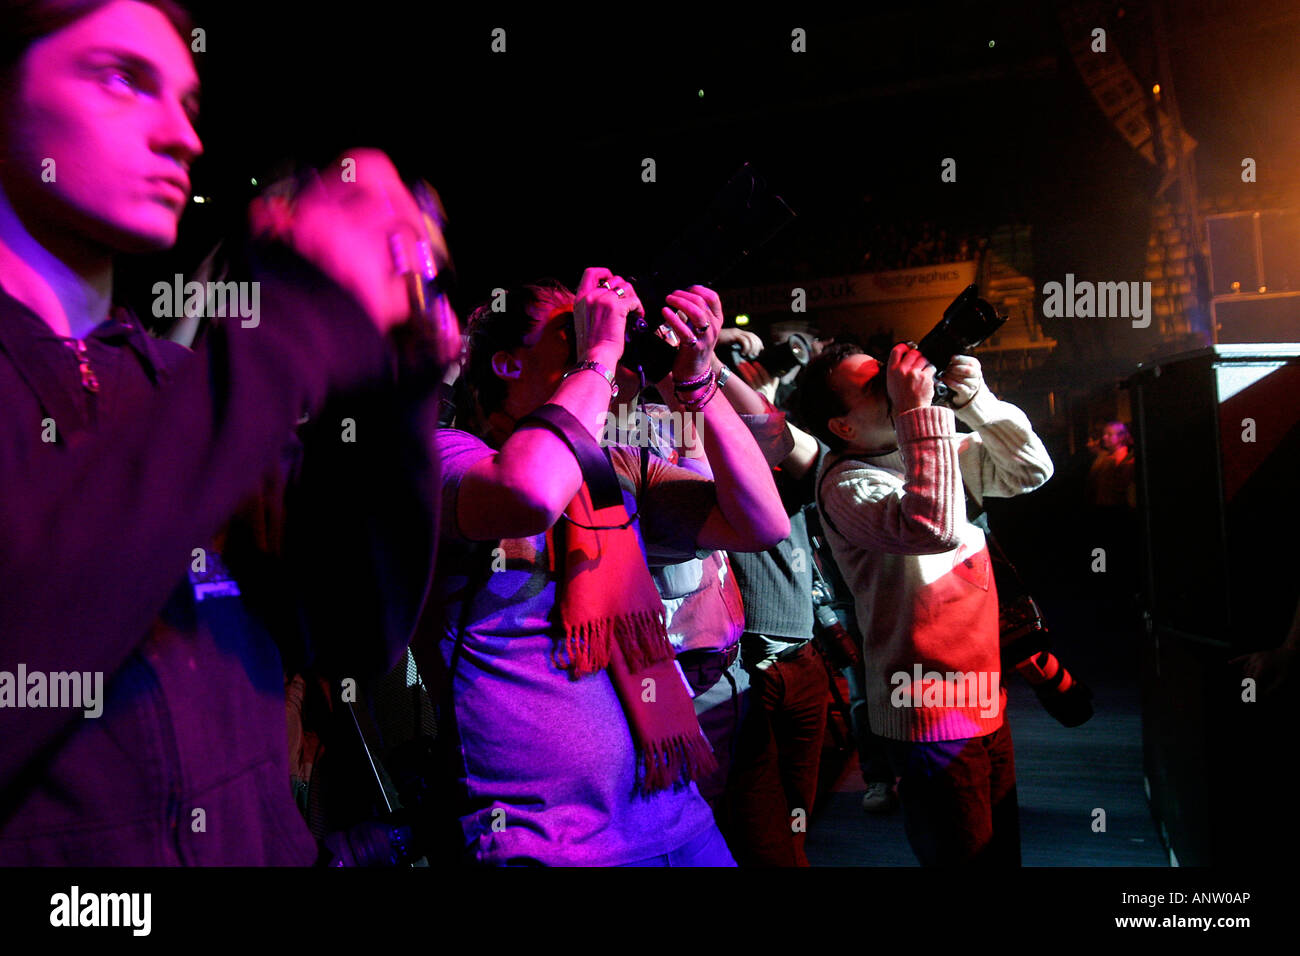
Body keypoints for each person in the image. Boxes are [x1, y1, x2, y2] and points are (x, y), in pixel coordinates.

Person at [0, 0, 446, 864]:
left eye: (189, 104)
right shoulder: (219, 392)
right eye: (123, 78)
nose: (182, 138)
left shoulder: (178, 389)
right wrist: (299, 326)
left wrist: (392, 383)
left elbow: (348, 634)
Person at [428, 273, 789, 866]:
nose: (606, 337)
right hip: (545, 838)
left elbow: (761, 522)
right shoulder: (450, 457)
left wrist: (699, 378)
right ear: (506, 365)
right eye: (570, 330)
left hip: (676, 813)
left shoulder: (616, 469)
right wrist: (596, 356)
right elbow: (532, 491)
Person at [796, 341, 1053, 866]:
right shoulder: (845, 483)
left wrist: (976, 400)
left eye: (885, 375)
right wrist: (918, 413)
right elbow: (932, 526)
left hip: (983, 693)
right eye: (873, 388)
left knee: (1001, 856)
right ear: (841, 427)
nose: (893, 387)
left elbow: (1031, 470)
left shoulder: (931, 446)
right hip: (926, 708)